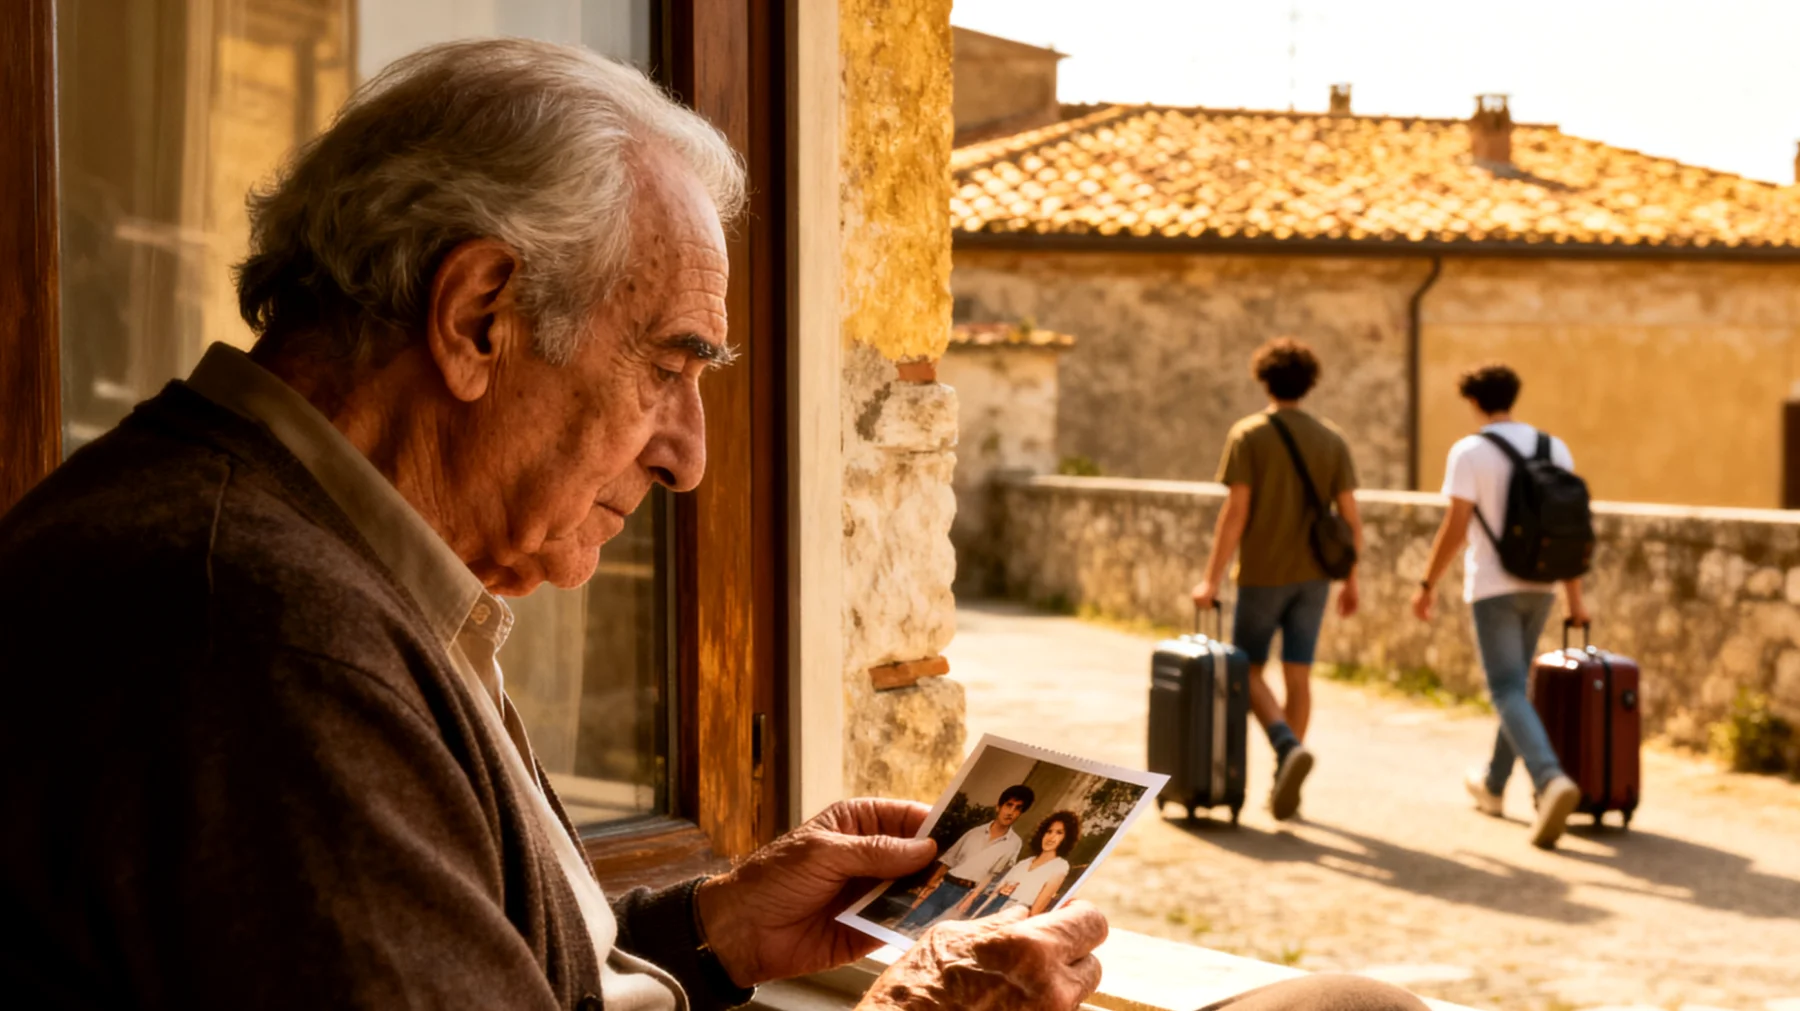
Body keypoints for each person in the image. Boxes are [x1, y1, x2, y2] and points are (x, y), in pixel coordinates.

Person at [0, 39, 1110, 1011]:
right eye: (670, 367)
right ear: (479, 315)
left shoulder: (309, 560)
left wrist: (715, 932)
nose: (689, 458)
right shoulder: (256, 635)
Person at [1410, 362, 1590, 850]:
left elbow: (1456, 525)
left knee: (1507, 689)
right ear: (1514, 395)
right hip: (1544, 584)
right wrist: (1575, 598)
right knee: (1518, 689)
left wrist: (1427, 582)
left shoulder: (1470, 451)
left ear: (1473, 401)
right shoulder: (1555, 448)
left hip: (1493, 585)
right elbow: (1567, 530)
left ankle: (1549, 780)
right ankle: (1493, 785)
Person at [1192, 337, 1364, 821]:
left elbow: (1236, 512)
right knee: (1299, 675)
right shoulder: (1332, 439)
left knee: (1246, 669)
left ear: (1263, 379)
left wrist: (1210, 579)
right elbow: (1351, 519)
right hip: (1316, 578)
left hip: (1264, 575)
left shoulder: (1249, 435)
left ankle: (1287, 748)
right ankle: (1289, 779)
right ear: (1310, 382)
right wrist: (1351, 580)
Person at [898, 785, 1035, 931]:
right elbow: (950, 860)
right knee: (907, 925)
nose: (1011, 812)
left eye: (1018, 808)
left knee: (931, 932)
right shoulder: (974, 832)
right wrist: (930, 885)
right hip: (945, 886)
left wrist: (971, 899)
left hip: (966, 894)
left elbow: (994, 875)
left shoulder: (1014, 843)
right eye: (1009, 805)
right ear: (998, 807)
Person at [973, 810, 1080, 918]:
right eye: (1049, 831)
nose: (1051, 837)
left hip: (1015, 919)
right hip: (990, 912)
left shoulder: (1060, 866)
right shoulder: (1023, 863)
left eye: (1059, 833)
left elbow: (1036, 911)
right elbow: (993, 895)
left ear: (1066, 838)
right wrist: (1001, 891)